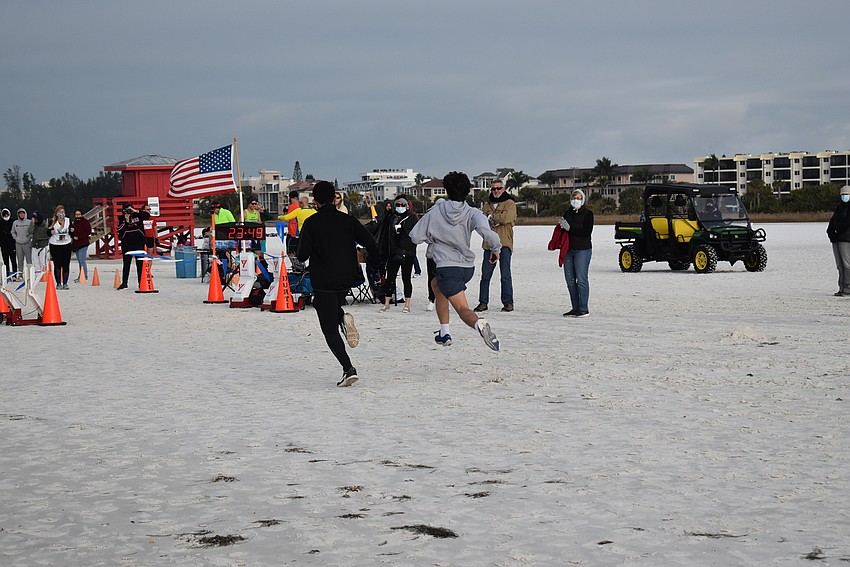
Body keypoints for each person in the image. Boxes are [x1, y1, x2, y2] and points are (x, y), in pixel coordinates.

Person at [296, 180, 378, 387]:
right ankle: (342, 316)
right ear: (334, 198)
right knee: (330, 307)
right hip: (347, 279)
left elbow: (302, 254)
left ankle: (348, 369)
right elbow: (370, 242)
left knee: (329, 329)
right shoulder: (348, 220)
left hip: (323, 279)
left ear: (315, 201)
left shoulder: (312, 223)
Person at [409, 171, 501, 351]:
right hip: (466, 267)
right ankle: (444, 333)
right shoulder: (472, 212)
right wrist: (496, 250)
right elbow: (487, 231)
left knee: (462, 309)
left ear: (446, 190)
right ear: (467, 191)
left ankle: (478, 324)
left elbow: (414, 236)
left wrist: (433, 237)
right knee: (437, 285)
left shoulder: (435, 212)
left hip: (447, 267)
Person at [473, 180, 517, 313]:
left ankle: (508, 302)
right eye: (493, 189)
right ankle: (483, 302)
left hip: (504, 243)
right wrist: (494, 217)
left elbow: (505, 219)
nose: (496, 191)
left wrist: (492, 217)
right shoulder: (487, 204)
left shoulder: (510, 203)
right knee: (485, 275)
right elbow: (481, 221)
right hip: (489, 245)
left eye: (498, 188)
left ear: (503, 189)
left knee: (505, 274)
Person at [376, 197, 418, 313]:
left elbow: (415, 235)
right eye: (398, 205)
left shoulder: (411, 218)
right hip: (393, 252)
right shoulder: (392, 217)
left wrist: (404, 233)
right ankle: (387, 303)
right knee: (390, 278)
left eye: (402, 205)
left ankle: (407, 304)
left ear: (407, 206)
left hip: (407, 253)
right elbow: (386, 234)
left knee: (406, 278)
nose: (400, 207)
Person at [560, 189, 594, 317]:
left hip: (583, 249)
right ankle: (575, 307)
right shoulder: (567, 213)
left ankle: (583, 308)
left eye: (579, 198)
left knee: (581, 279)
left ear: (583, 200)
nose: (576, 200)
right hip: (569, 249)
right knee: (570, 280)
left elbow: (586, 231)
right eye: (574, 197)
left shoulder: (588, 214)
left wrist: (570, 228)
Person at [116, 203, 149, 290]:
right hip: (127, 243)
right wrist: (126, 220)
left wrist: (136, 211)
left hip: (138, 242)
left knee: (140, 264)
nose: (129, 211)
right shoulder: (121, 218)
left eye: (130, 209)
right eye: (127, 209)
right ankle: (124, 283)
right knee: (126, 264)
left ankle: (141, 283)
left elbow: (147, 216)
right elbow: (119, 229)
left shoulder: (138, 215)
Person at [827, 185, 850, 297]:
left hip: (846, 239)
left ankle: (848, 288)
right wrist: (831, 233)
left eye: (847, 194)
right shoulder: (839, 208)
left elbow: (846, 223)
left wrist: (839, 231)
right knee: (840, 265)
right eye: (843, 195)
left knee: (847, 265)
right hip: (836, 239)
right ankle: (842, 287)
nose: (844, 196)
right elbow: (833, 222)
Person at [48, 205, 73, 289]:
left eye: (62, 212)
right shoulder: (52, 221)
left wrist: (72, 231)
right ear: (56, 213)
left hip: (66, 244)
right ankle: (58, 283)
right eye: (59, 212)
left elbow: (72, 232)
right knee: (57, 265)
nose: (61, 214)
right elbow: (47, 232)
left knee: (66, 265)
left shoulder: (68, 220)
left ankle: (65, 283)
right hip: (55, 245)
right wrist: (50, 232)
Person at [70, 209, 92, 283]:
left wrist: (79, 237)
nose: (77, 216)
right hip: (76, 244)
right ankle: (82, 275)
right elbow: (72, 232)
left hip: (83, 243)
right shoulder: (74, 223)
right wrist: (72, 232)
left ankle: (84, 275)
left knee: (82, 260)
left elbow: (88, 231)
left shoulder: (85, 222)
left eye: (79, 214)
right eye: (76, 214)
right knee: (80, 261)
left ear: (81, 214)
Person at [11, 208, 31, 280]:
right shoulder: (15, 223)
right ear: (18, 214)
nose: (21, 215)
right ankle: (20, 275)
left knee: (29, 260)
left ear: (25, 214)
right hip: (18, 243)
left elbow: (32, 231)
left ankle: (29, 274)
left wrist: (28, 238)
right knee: (20, 260)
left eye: (23, 213)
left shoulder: (29, 222)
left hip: (27, 243)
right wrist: (16, 238)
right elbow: (12, 232)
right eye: (20, 213)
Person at [28, 211, 50, 275]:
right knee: (35, 261)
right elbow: (30, 231)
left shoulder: (44, 224)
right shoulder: (33, 224)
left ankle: (44, 274)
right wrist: (32, 223)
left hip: (42, 245)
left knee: (42, 261)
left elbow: (46, 234)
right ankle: (37, 273)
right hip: (35, 244)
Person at [0, 208, 16, 277]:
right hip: (3, 245)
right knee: (6, 261)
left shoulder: (13, 222)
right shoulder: (0, 223)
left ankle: (15, 274)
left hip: (12, 245)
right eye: (4, 215)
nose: (6, 216)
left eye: (7, 214)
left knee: (13, 261)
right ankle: (7, 274)